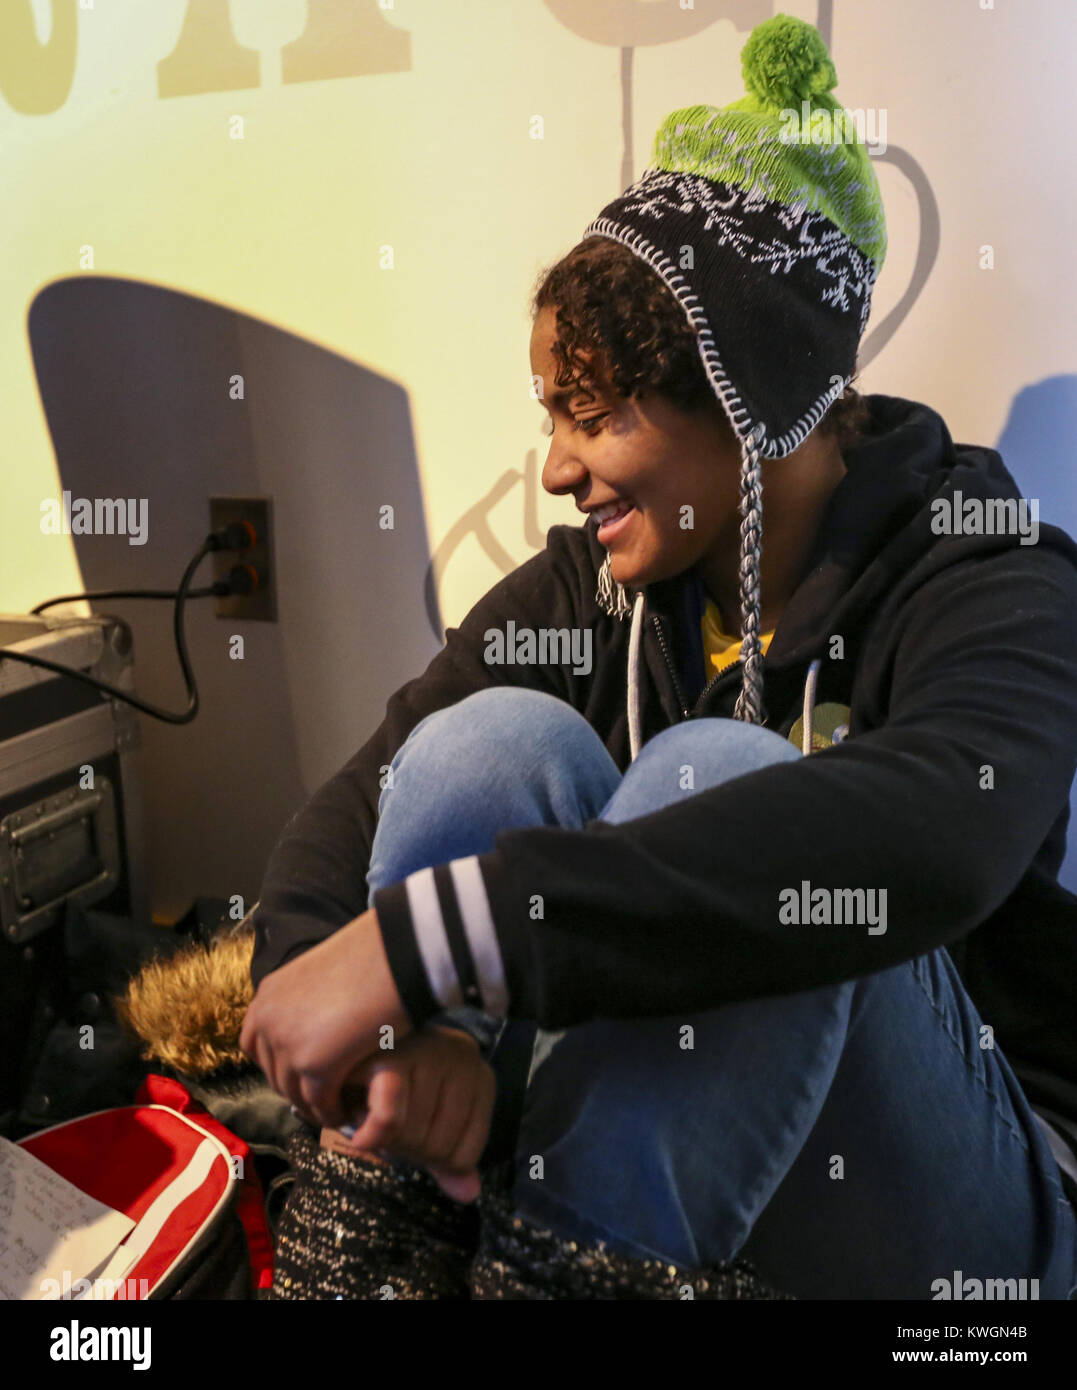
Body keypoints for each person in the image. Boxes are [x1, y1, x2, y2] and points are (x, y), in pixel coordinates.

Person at [240, 14, 1077, 1300]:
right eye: (553, 416)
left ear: (745, 406)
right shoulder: (595, 589)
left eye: (598, 416)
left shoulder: (989, 567)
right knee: (488, 740)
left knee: (723, 776)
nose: (559, 468)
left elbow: (940, 835)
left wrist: (453, 934)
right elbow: (364, 800)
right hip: (675, 1176)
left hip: (968, 1230)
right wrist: (373, 1033)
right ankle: (378, 1246)